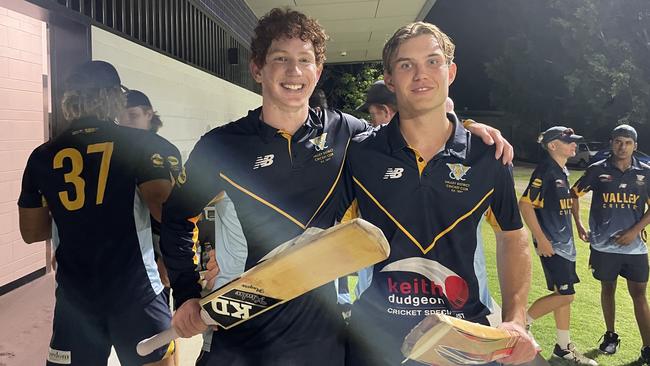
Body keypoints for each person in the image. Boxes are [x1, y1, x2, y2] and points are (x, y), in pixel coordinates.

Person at [161, 8, 513, 366]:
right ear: (257, 68)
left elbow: (416, 128)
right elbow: (176, 218)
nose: (294, 71)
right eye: (280, 58)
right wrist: (188, 294)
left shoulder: (349, 133)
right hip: (244, 322)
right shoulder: (222, 145)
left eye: (304, 60)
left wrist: (467, 131)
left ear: (318, 71)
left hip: (324, 336)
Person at [342, 21, 536, 366]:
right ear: (389, 79)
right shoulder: (358, 153)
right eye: (406, 65)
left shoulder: (488, 155)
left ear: (451, 71)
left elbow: (512, 237)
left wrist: (516, 318)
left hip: (462, 339)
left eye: (433, 62)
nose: (421, 75)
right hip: (374, 340)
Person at [17, 61, 180, 366]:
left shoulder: (42, 156)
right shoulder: (139, 143)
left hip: (75, 297)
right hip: (137, 291)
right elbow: (163, 207)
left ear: (70, 100)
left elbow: (33, 232)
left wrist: (78, 216)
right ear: (114, 97)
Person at [571, 124, 650, 364]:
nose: (622, 147)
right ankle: (610, 336)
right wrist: (579, 225)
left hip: (635, 248)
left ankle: (648, 347)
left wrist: (634, 231)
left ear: (635, 146)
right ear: (611, 143)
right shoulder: (597, 170)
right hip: (604, 247)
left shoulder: (646, 173)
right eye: (618, 141)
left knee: (639, 294)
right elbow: (574, 195)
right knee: (608, 288)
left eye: (627, 142)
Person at [519, 127, 597, 365]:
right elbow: (525, 205)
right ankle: (521, 325)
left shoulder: (561, 171)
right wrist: (541, 239)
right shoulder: (546, 171)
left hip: (564, 245)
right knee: (567, 295)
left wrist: (579, 226)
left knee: (562, 295)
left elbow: (567, 203)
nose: (574, 145)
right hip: (552, 245)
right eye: (568, 142)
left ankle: (562, 349)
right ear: (553, 145)